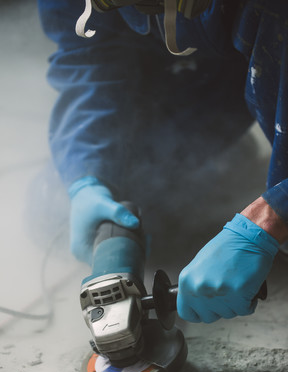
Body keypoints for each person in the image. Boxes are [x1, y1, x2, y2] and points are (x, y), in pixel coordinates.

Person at [37, 0, 288, 323]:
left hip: (266, 40)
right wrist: (87, 178)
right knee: (49, 208)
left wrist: (271, 218)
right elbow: (88, 59)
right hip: (192, 81)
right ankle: (214, 164)